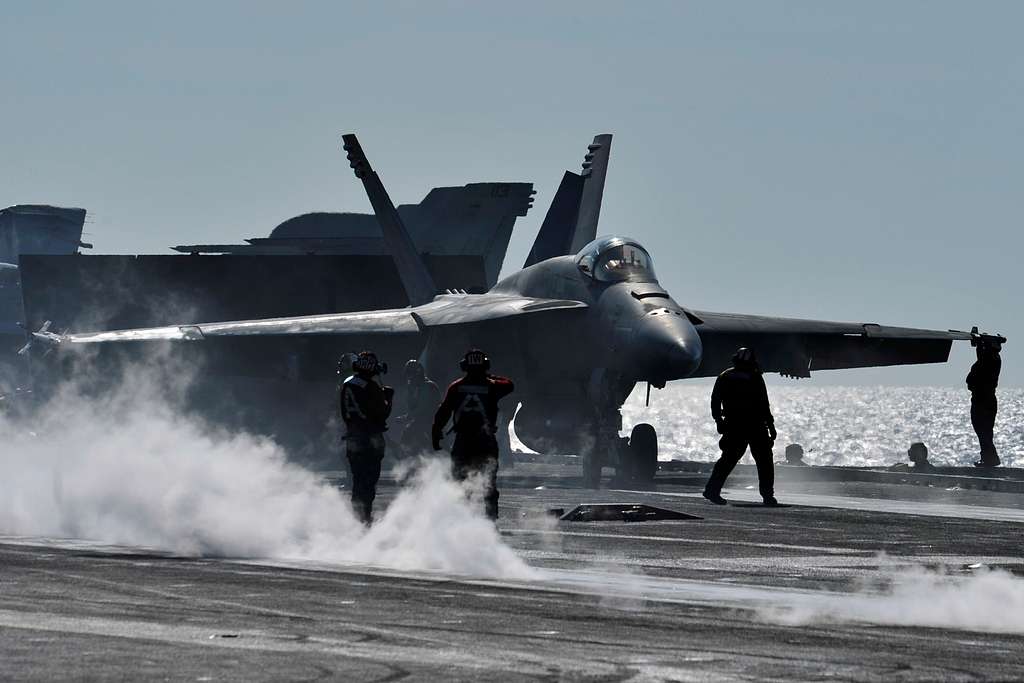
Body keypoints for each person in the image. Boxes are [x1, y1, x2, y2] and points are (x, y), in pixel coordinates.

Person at [432, 349, 514, 520]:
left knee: (460, 482)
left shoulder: (456, 387)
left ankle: (462, 519)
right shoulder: (492, 386)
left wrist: (436, 430)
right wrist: (488, 375)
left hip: (463, 441)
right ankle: (491, 520)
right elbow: (509, 384)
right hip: (485, 441)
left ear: (464, 366)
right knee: (488, 483)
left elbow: (444, 411)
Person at [703, 347, 778, 506]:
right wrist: (771, 426)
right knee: (764, 461)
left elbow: (715, 401)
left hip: (733, 425)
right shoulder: (755, 377)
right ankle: (767, 496)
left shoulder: (725, 376)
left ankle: (712, 490)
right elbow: (763, 404)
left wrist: (719, 421)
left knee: (727, 460)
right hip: (755, 425)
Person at [339, 351, 394, 525]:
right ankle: (365, 518)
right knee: (368, 482)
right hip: (370, 440)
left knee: (357, 480)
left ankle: (356, 518)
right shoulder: (371, 387)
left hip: (352, 438)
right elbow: (382, 414)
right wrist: (389, 399)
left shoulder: (346, 384)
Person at [967, 339, 1002, 468]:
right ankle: (988, 457)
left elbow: (981, 361)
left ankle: (990, 458)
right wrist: (981, 345)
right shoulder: (995, 359)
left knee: (982, 430)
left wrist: (981, 344)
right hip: (988, 399)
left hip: (981, 399)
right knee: (985, 431)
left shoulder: (987, 361)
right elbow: (982, 357)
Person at [396, 359, 441, 456]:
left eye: (411, 375)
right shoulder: (413, 387)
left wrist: (406, 417)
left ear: (417, 374)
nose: (409, 379)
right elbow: (411, 407)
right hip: (420, 420)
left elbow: (423, 408)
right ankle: (409, 461)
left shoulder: (427, 386)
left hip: (432, 421)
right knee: (408, 435)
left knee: (438, 443)